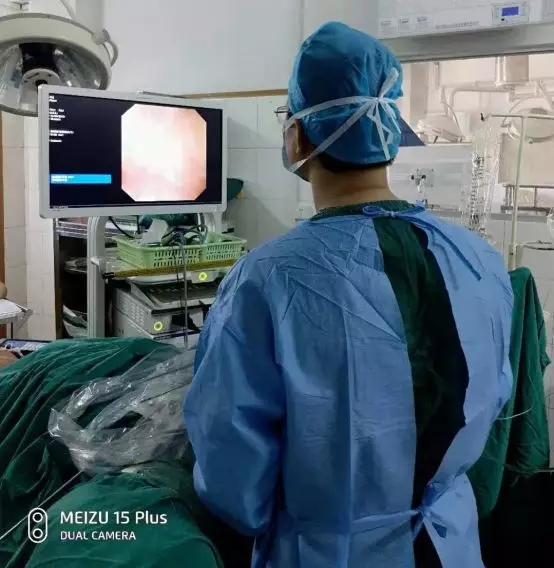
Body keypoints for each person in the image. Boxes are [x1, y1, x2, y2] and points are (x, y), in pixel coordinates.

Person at [183, 21, 514, 568]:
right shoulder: (477, 258)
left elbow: (233, 470)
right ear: (389, 133)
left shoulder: (266, 278)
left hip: (331, 551)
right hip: (450, 543)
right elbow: (491, 397)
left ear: (298, 136)